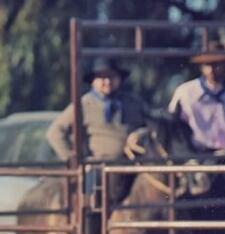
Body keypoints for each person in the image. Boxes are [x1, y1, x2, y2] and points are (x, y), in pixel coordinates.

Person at [46, 58, 149, 204]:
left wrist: (140, 133)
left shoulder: (133, 103)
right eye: (102, 77)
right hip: (96, 166)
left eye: (112, 76)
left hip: (131, 165)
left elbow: (153, 125)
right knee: (88, 200)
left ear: (119, 79)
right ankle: (89, 225)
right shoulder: (84, 104)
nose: (107, 81)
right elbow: (55, 132)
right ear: (94, 81)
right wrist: (72, 159)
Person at [168, 42, 225, 155]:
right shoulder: (185, 93)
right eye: (207, 65)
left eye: (217, 65)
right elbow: (173, 125)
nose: (211, 70)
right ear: (201, 67)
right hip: (194, 157)